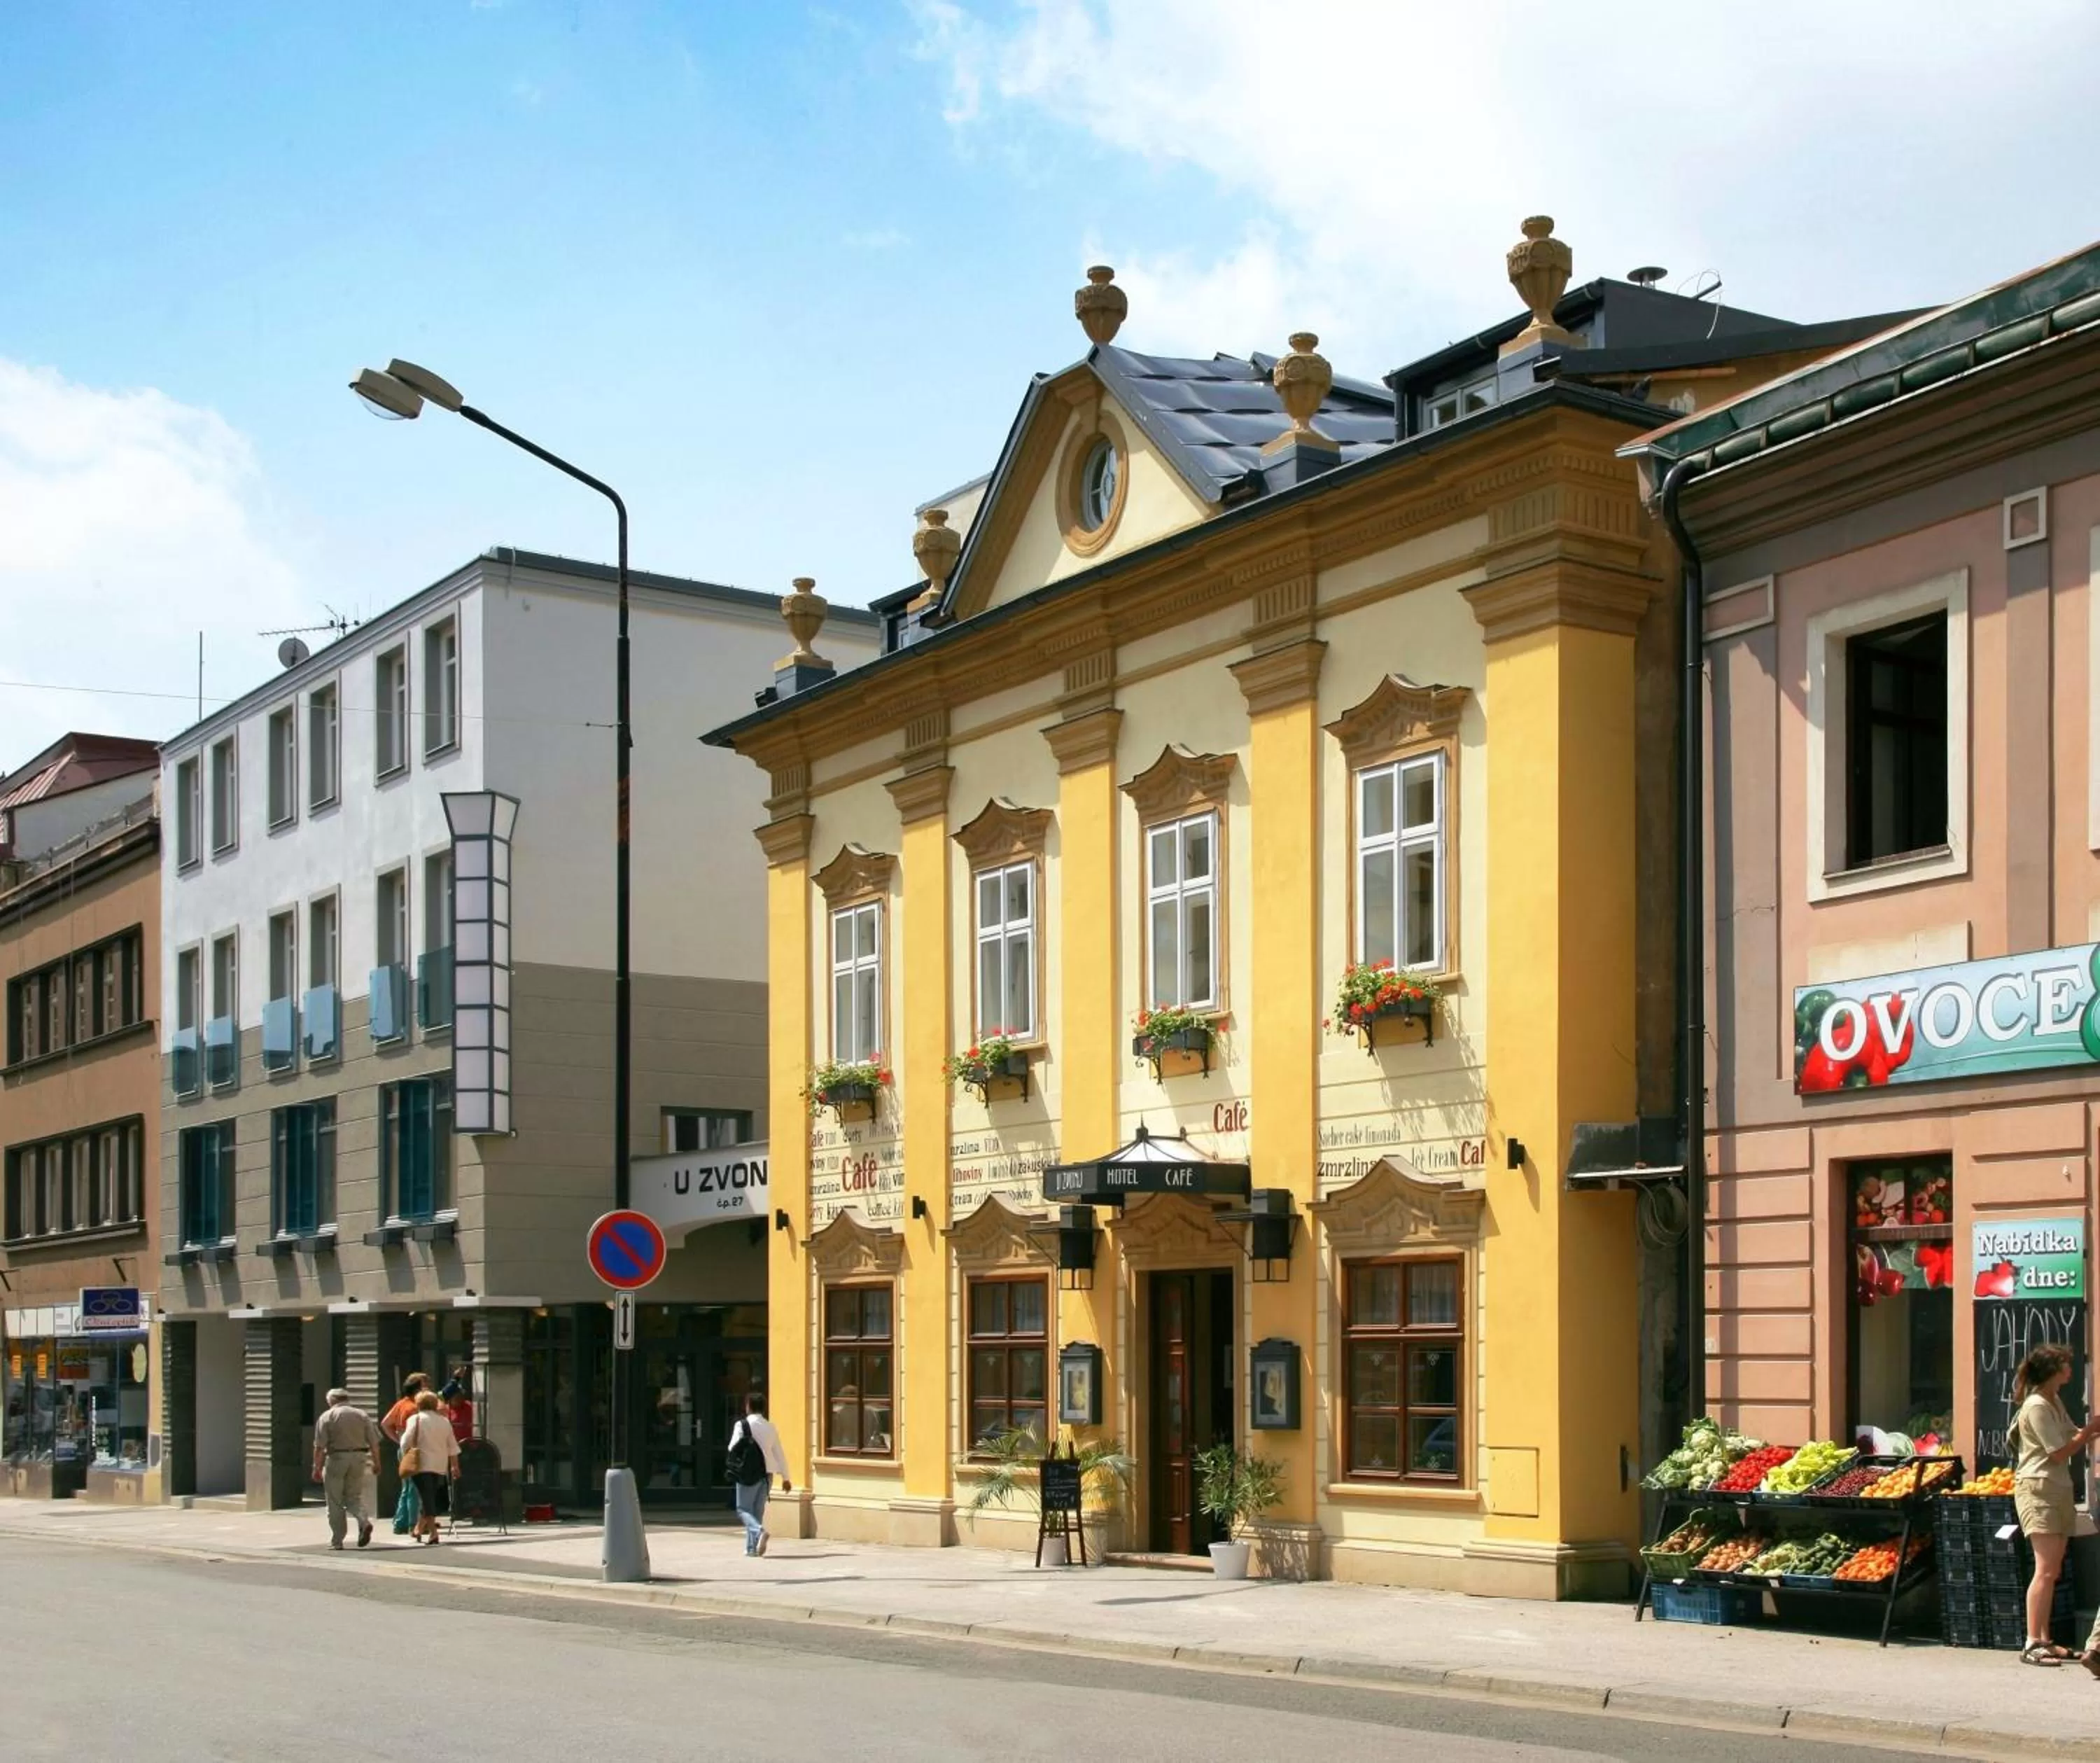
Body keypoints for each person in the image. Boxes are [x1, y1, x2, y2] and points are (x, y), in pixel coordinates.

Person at [2012, 1342, 2100, 1664]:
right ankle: (2032, 1643)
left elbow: (2072, 1435)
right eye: (2065, 1364)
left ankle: (2044, 1639)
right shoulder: (2036, 1405)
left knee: (2053, 1569)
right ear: (2052, 1370)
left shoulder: (2054, 1400)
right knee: (2045, 1569)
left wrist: (2089, 1432)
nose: (2069, 1369)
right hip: (2039, 1490)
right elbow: (2059, 1452)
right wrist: (2089, 1431)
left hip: (2057, 1489)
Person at [309, 1388, 382, 1551]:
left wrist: (316, 1467)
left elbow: (319, 1446)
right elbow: (375, 1443)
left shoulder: (327, 1416)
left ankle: (337, 1540)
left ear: (331, 1401)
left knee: (335, 1501)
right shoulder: (362, 1415)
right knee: (354, 1496)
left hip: (336, 1458)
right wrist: (377, 1462)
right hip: (360, 1457)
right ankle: (363, 1520)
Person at [726, 1392, 790, 1557]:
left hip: (748, 1473)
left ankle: (759, 1532)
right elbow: (779, 1453)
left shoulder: (742, 1425)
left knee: (743, 1509)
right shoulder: (770, 1427)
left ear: (748, 1406)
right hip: (767, 1475)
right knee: (757, 1512)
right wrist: (786, 1477)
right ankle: (752, 1549)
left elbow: (732, 1447)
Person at [398, 1388, 461, 1546]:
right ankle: (419, 1528)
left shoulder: (415, 1419)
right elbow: (452, 1446)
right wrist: (455, 1466)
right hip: (439, 1465)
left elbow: (405, 1442)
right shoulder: (444, 1421)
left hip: (421, 1464)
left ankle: (433, 1533)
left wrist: (406, 1454)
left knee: (427, 1498)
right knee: (429, 1497)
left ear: (419, 1404)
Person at [382, 1372, 431, 1445]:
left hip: (404, 1448)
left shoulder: (400, 1404)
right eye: (426, 1388)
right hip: (416, 1448)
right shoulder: (416, 1408)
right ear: (417, 1390)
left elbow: (385, 1424)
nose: (429, 1391)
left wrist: (400, 1441)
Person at [441, 1376, 475, 1443]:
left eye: (461, 1395)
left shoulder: (470, 1406)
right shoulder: (444, 1410)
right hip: (452, 1445)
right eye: (457, 1397)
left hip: (470, 1445)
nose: (460, 1399)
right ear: (449, 1399)